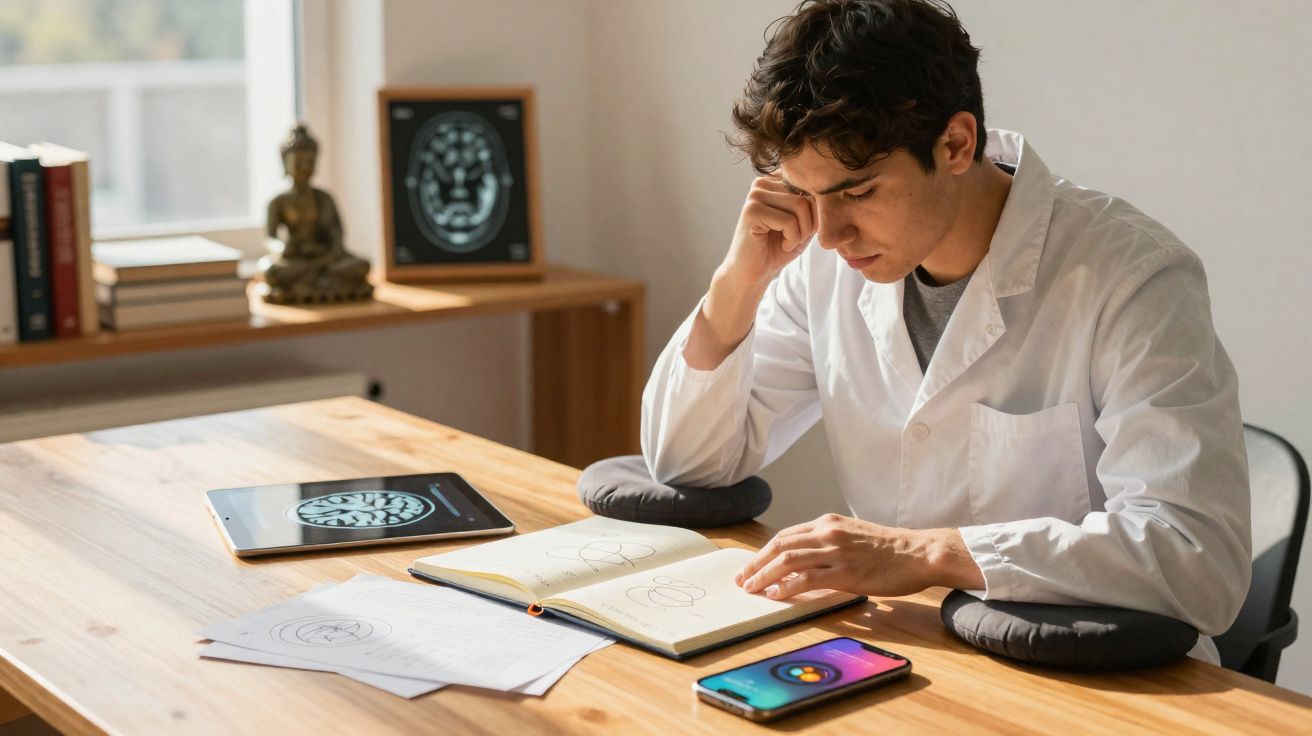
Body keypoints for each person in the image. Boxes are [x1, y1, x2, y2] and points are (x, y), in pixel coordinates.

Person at [640, 0, 1250, 663]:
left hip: (1101, 686)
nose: (830, 233)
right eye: (806, 195)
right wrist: (738, 283)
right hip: (909, 656)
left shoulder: (1132, 278)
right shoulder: (824, 260)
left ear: (956, 144)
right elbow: (688, 465)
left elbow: (1198, 561)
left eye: (857, 192)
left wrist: (928, 552)